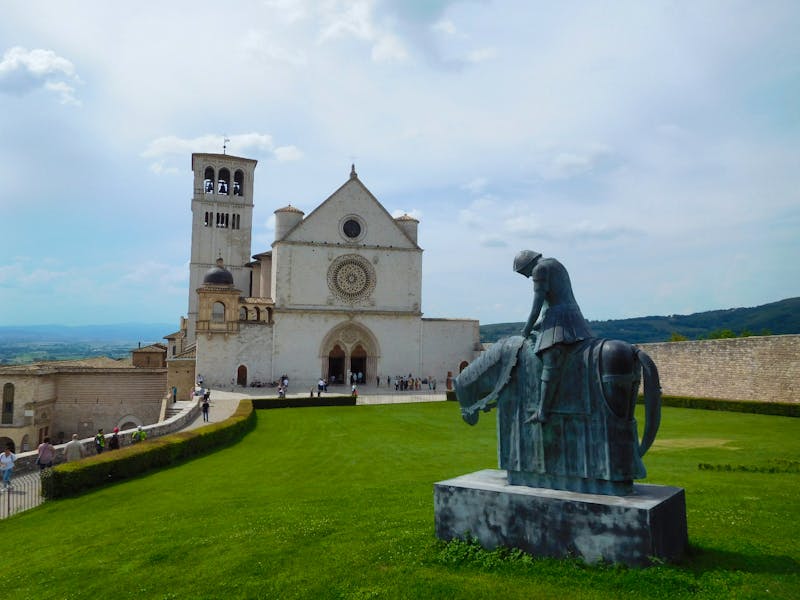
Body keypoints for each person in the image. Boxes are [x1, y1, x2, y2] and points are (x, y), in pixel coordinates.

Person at [513, 250, 593, 424]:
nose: (528, 276)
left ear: (528, 264)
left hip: (560, 319)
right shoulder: (555, 263)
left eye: (525, 272)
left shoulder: (539, 269)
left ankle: (542, 411)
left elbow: (537, 306)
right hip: (569, 315)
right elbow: (554, 303)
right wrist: (535, 326)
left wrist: (527, 329)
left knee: (550, 358)